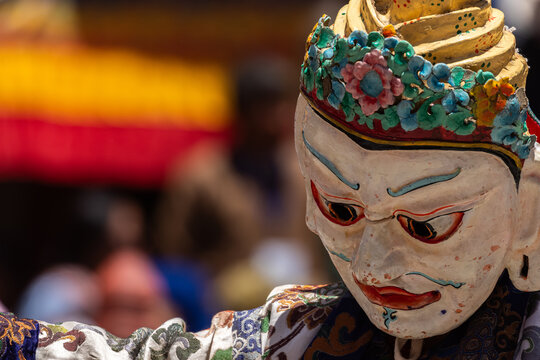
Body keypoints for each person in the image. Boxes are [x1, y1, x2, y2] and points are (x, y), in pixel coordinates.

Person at [3, 1, 540, 359]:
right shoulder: (304, 336)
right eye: (341, 210)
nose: (373, 264)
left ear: (527, 211)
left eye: (427, 224)